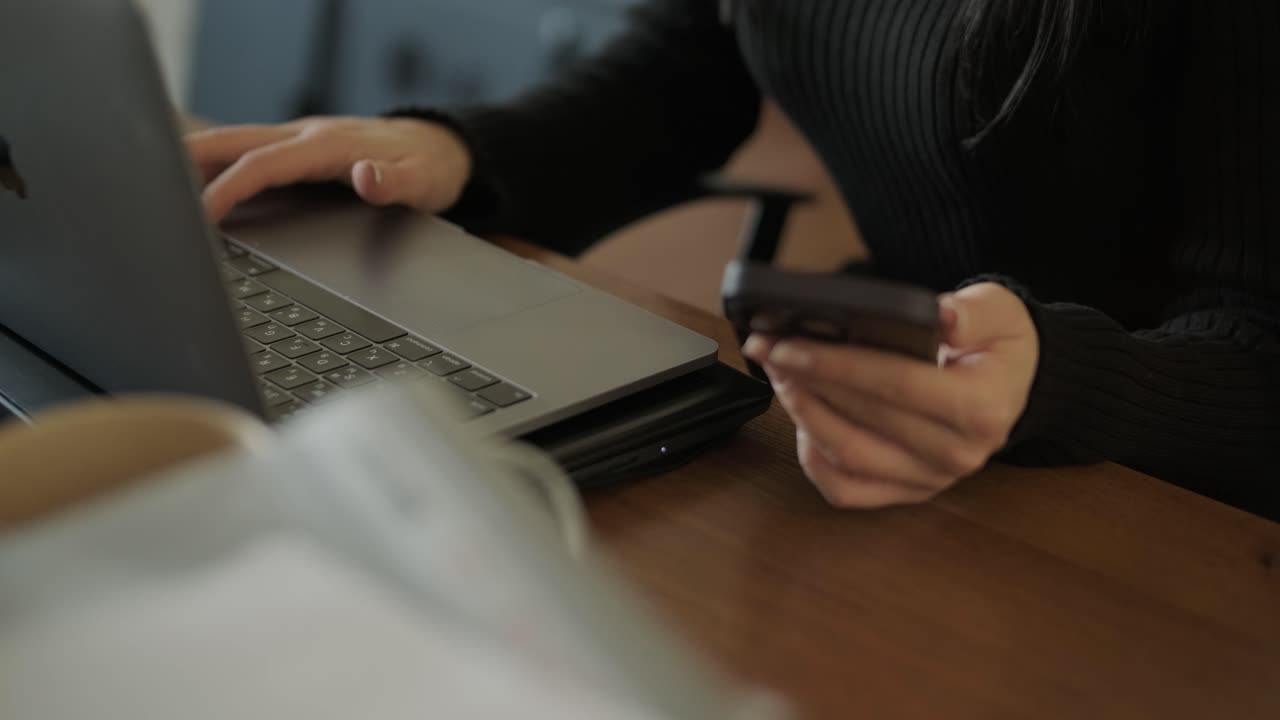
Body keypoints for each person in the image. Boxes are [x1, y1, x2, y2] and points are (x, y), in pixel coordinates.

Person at [188, 0, 1280, 520]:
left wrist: (1053, 380)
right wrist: (458, 151)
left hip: (1144, 511)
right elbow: (697, 58)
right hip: (893, 448)